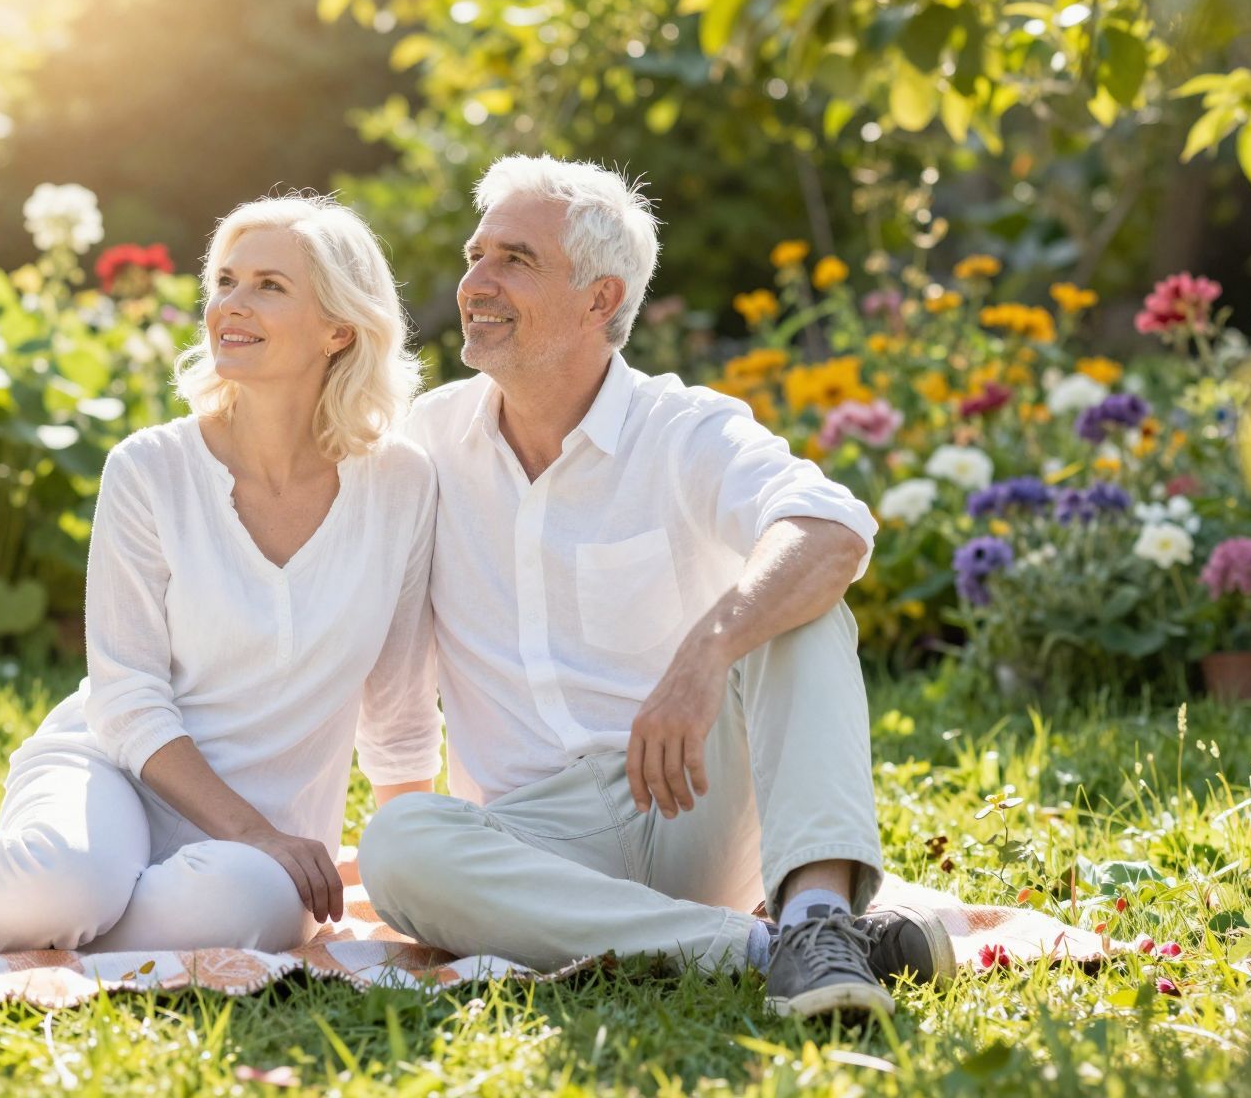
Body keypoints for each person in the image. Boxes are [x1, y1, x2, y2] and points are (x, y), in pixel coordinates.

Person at [0, 195, 442, 952]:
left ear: (340, 328)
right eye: (225, 280)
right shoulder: (152, 467)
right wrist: (254, 831)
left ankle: (35, 913)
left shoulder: (399, 485)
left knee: (245, 908)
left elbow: (398, 709)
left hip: (255, 858)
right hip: (113, 771)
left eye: (269, 285)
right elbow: (126, 700)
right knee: (68, 880)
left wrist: (413, 885)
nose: (232, 303)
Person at [354, 155, 955, 1019]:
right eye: (475, 255)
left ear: (601, 299)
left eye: (514, 260)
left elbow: (831, 530)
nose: (474, 283)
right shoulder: (427, 441)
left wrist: (707, 651)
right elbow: (394, 648)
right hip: (537, 841)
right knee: (398, 845)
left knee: (804, 612)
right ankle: (767, 949)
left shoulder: (684, 428)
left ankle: (819, 912)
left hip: (690, 805)